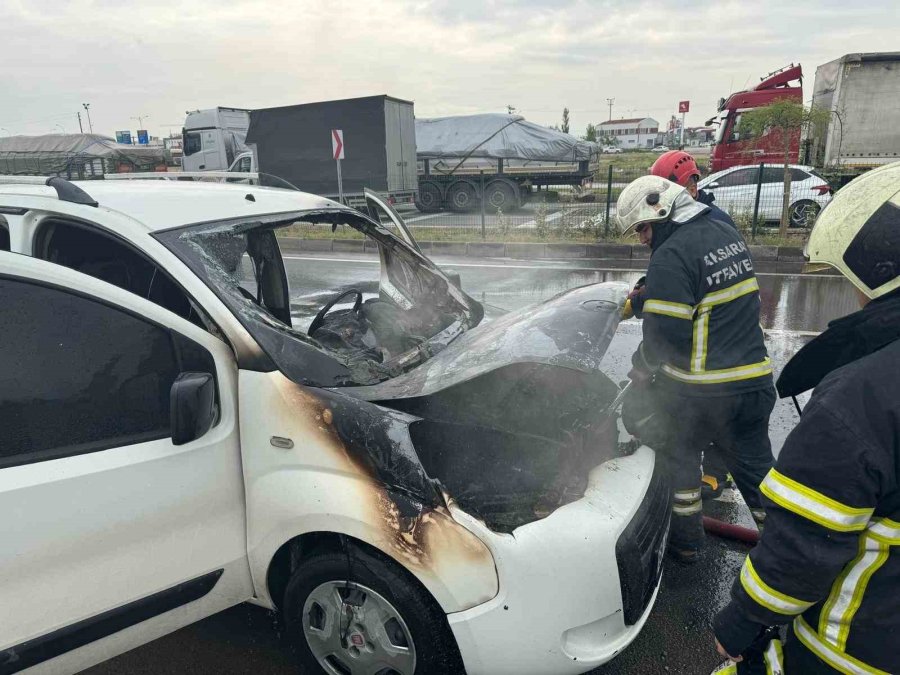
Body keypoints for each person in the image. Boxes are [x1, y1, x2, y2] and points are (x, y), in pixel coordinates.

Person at [712, 163, 900, 674]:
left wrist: (737, 626)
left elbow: (802, 551)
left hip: (854, 647)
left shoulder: (861, 398)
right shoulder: (717, 231)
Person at [617, 175, 775, 563]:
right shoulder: (725, 233)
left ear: (662, 211)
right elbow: (704, 294)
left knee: (679, 458)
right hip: (753, 385)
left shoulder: (671, 255)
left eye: (642, 228)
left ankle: (686, 544)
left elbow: (665, 336)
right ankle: (786, 552)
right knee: (760, 477)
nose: (642, 239)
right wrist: (647, 297)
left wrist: (641, 369)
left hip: (702, 394)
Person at [650, 149, 736, 228]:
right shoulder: (679, 217)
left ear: (692, 190)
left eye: (670, 195)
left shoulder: (712, 223)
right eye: (659, 196)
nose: (663, 202)